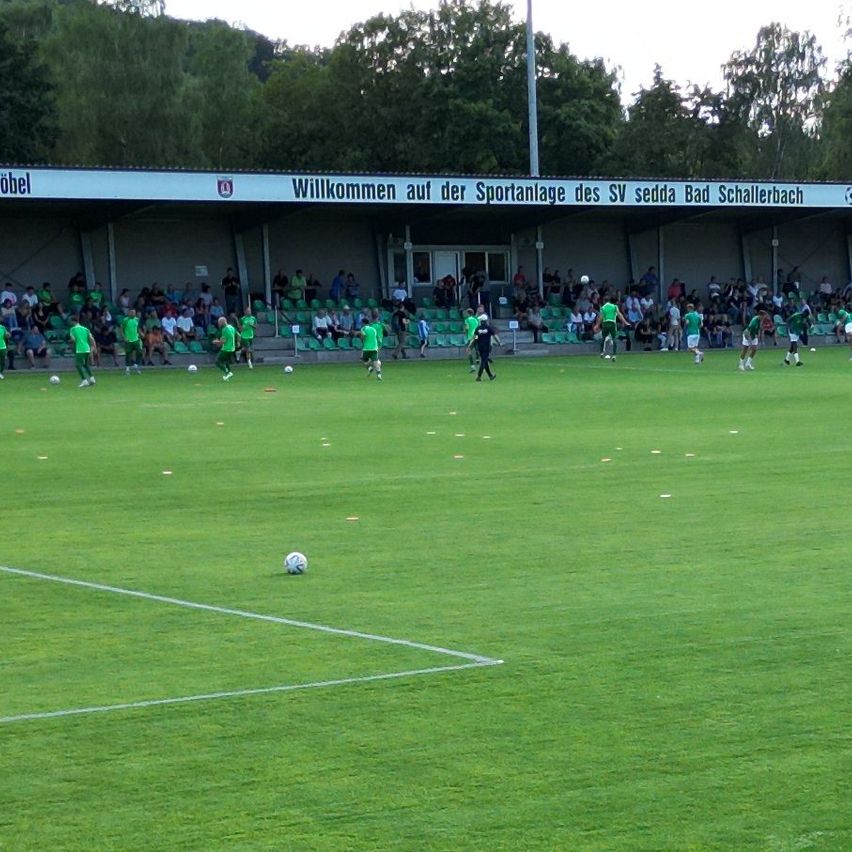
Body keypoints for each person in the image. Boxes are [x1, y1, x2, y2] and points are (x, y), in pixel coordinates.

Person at [69, 316, 96, 387]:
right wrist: (94, 348)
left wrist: (70, 341)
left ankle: (84, 380)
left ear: (72, 321)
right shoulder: (86, 329)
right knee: (85, 364)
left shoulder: (73, 329)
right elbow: (92, 339)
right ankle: (92, 378)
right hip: (87, 348)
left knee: (78, 365)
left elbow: (73, 339)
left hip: (80, 349)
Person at [473, 314, 497, 381]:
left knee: (485, 361)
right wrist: (499, 342)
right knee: (484, 361)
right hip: (486, 347)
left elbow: (476, 337)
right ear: (486, 321)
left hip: (480, 347)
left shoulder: (478, 328)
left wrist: (475, 343)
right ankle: (479, 376)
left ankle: (490, 376)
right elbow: (494, 335)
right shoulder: (488, 328)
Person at [120, 309, 143, 375]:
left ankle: (136, 364)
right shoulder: (125, 320)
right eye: (132, 312)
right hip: (128, 340)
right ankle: (127, 369)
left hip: (136, 339)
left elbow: (137, 327)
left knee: (140, 352)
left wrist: (140, 333)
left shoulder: (137, 319)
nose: (133, 314)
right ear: (129, 313)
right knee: (128, 354)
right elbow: (121, 329)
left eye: (134, 312)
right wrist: (124, 337)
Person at [214, 316, 237, 380]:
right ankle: (227, 376)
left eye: (219, 323)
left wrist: (216, 342)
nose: (219, 324)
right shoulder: (231, 327)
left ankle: (227, 372)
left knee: (217, 361)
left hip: (226, 349)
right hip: (232, 348)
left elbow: (223, 341)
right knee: (226, 361)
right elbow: (238, 335)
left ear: (223, 322)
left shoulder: (224, 329)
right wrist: (237, 342)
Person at [463, 307, 479, 372]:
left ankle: (473, 366)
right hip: (477, 336)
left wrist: (464, 330)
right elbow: (478, 327)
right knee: (476, 348)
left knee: (468, 350)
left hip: (471, 337)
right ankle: (477, 360)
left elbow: (467, 328)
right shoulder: (476, 319)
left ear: (468, 313)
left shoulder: (467, 320)